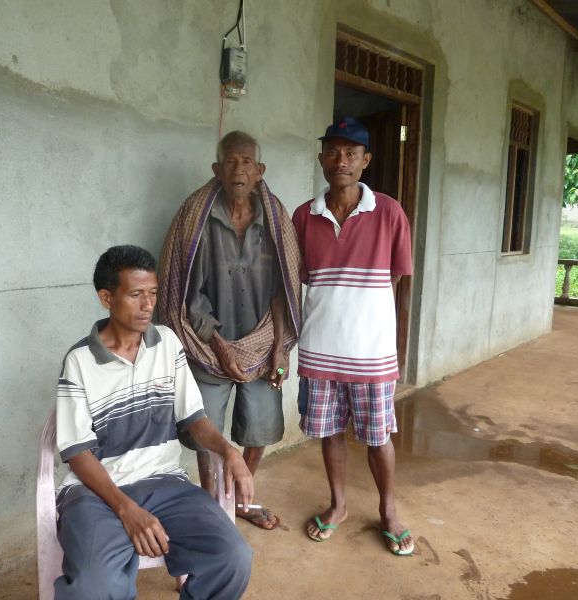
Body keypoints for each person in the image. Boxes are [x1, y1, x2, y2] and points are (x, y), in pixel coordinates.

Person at [54, 245, 254, 599]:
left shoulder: (167, 343)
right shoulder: (80, 361)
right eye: (135, 295)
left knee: (233, 557)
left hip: (164, 483)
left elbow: (194, 419)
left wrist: (229, 451)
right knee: (93, 587)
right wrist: (126, 509)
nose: (148, 305)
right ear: (106, 298)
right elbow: (78, 452)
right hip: (96, 493)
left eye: (153, 293)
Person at [158, 131, 302, 530]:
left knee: (261, 427)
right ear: (217, 169)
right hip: (207, 342)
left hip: (262, 343)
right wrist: (218, 345)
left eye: (247, 162)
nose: (239, 169)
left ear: (260, 171)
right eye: (231, 162)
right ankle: (211, 502)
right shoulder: (196, 217)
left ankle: (241, 497)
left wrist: (278, 346)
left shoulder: (274, 220)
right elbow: (185, 293)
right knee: (204, 428)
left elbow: (283, 289)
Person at [291, 117, 415, 556]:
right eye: (332, 152)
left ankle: (388, 511)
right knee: (330, 434)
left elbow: (396, 276)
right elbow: (302, 277)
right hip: (320, 351)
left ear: (366, 161)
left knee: (378, 437)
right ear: (321, 158)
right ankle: (339, 505)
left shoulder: (389, 212)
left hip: (371, 353)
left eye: (350, 153)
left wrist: (371, 322)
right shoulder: (304, 216)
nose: (340, 160)